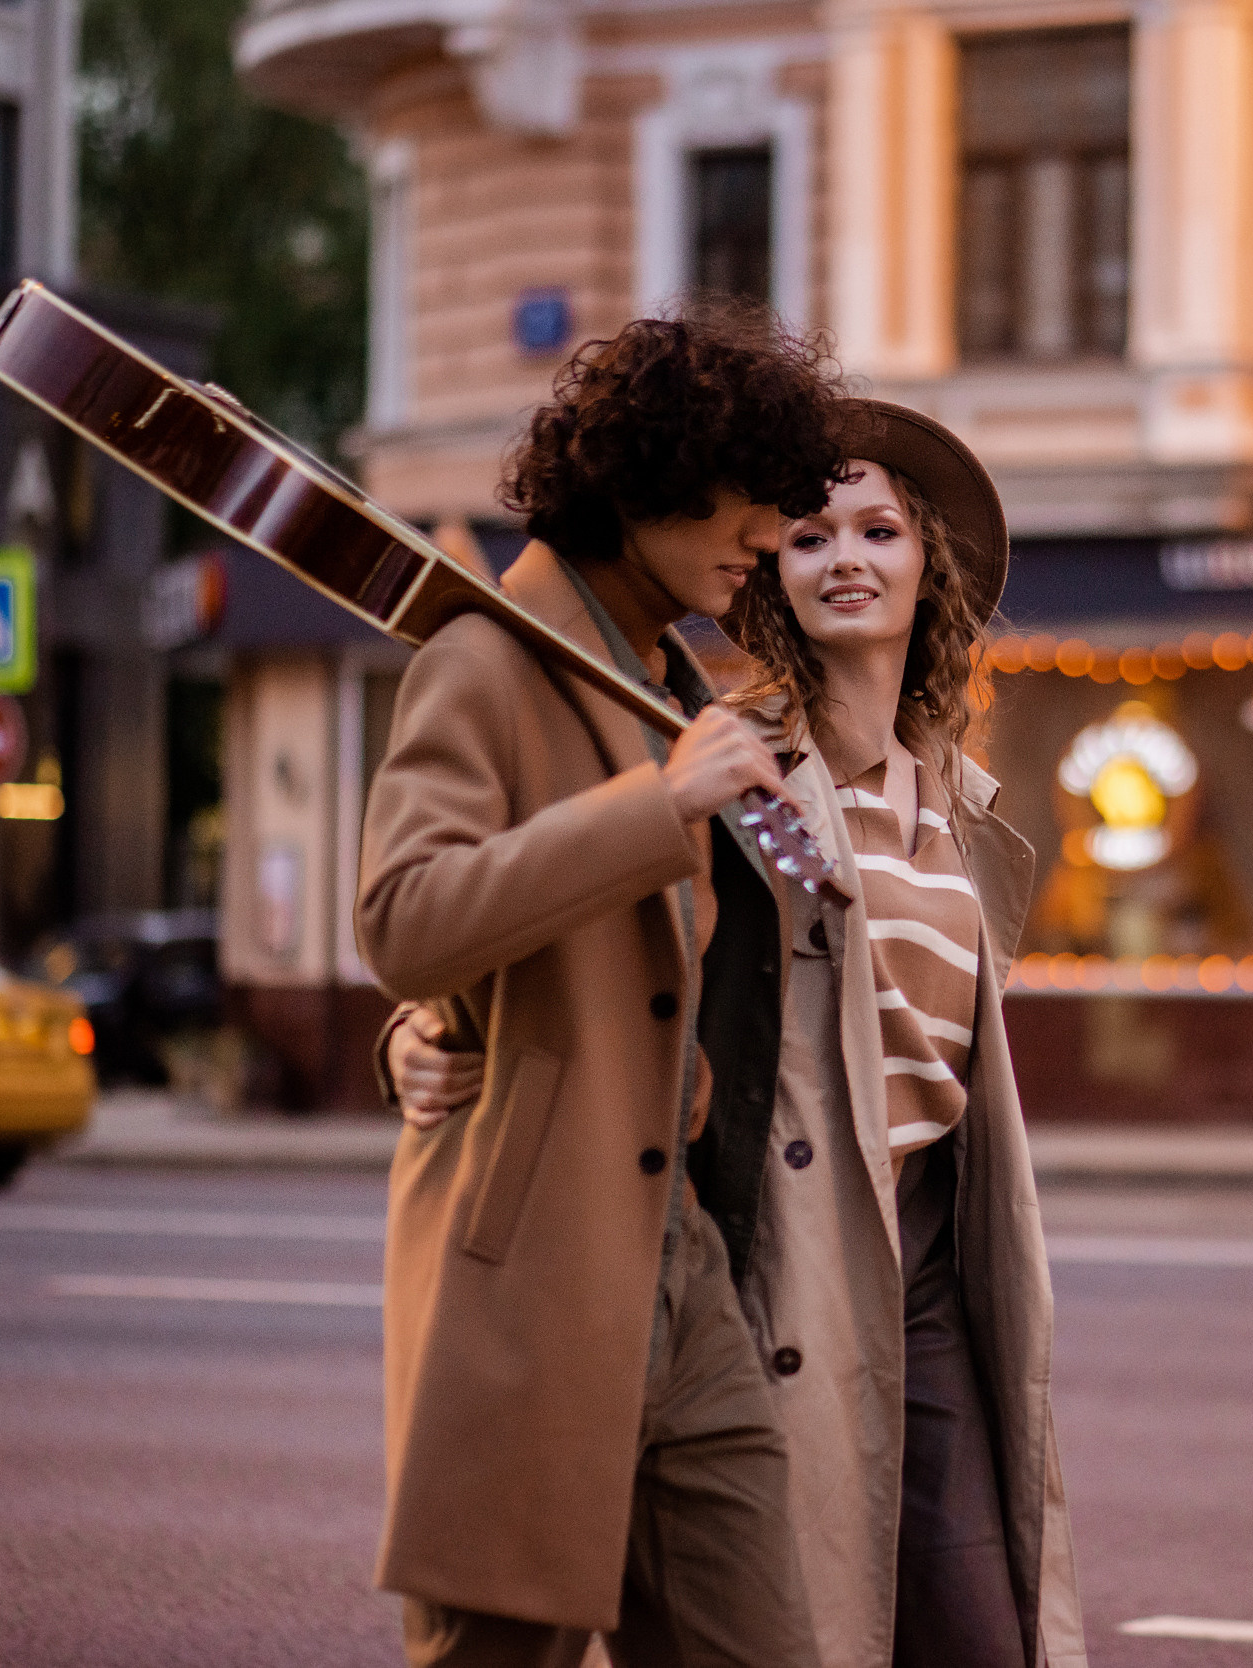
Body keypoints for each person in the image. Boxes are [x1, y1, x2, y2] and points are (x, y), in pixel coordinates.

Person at [394, 402, 1089, 1668]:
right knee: (799, 1620)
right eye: (811, 535)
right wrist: (424, 1028)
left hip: (934, 1253)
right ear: (770, 566)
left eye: (878, 531)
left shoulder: (967, 816)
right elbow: (604, 936)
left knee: (982, 1634)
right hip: (786, 1244)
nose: (844, 560)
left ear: (928, 568)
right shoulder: (735, 767)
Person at [354, 307, 844, 1668]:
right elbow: (404, 919)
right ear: (646, 483)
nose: (768, 533)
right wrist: (656, 802)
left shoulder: (681, 684)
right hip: (538, 1263)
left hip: (680, 1262)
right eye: (746, 500)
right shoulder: (486, 659)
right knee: (497, 1649)